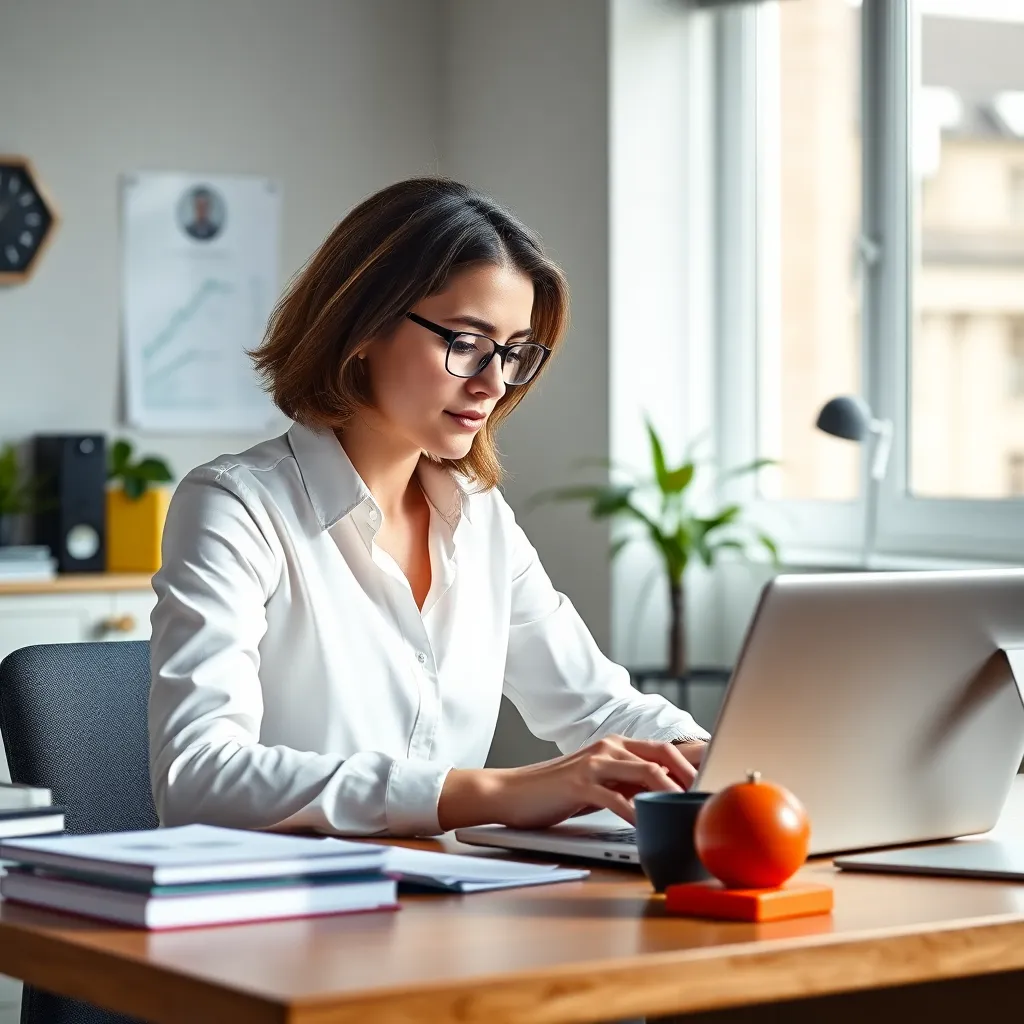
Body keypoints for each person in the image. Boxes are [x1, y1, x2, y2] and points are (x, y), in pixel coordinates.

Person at [148, 177, 710, 838]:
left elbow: (597, 704)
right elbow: (197, 778)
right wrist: (495, 791)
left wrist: (719, 761)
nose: (494, 383)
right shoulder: (236, 508)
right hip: (279, 917)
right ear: (362, 327)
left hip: (445, 909)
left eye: (512, 352)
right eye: (466, 343)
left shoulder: (480, 517)